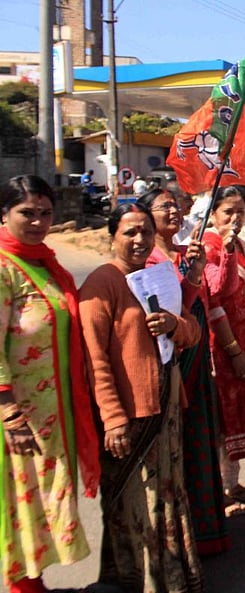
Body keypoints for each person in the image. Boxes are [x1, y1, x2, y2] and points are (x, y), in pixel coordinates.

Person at [80, 203, 204, 592]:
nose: (138, 240)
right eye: (129, 232)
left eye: (145, 233)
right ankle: (135, 582)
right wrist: (113, 418)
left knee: (166, 496)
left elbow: (191, 332)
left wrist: (174, 324)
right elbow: (94, 359)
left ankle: (172, 579)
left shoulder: (159, 277)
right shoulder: (102, 283)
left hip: (164, 405)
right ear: (112, 236)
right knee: (134, 504)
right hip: (129, 414)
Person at [0, 175, 100, 593]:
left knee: (45, 499)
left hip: (54, 412)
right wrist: (9, 412)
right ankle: (24, 584)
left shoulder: (45, 263)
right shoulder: (5, 267)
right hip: (19, 416)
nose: (38, 221)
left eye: (45, 213)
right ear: (4, 214)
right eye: (27, 213)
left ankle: (34, 579)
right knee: (20, 501)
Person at [140, 188, 230, 551]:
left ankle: (205, 530)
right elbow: (168, 310)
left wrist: (196, 269)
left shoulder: (185, 251)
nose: (174, 212)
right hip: (167, 360)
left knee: (198, 439)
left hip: (195, 350)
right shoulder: (144, 260)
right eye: (164, 206)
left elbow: (204, 301)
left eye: (177, 205)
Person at [203, 185, 245, 509]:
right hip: (225, 351)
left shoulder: (243, 244)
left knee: (238, 420)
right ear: (213, 214)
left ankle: (232, 483)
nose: (235, 218)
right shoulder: (209, 246)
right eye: (228, 211)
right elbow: (217, 295)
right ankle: (217, 491)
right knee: (222, 423)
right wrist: (234, 351)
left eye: (240, 211)